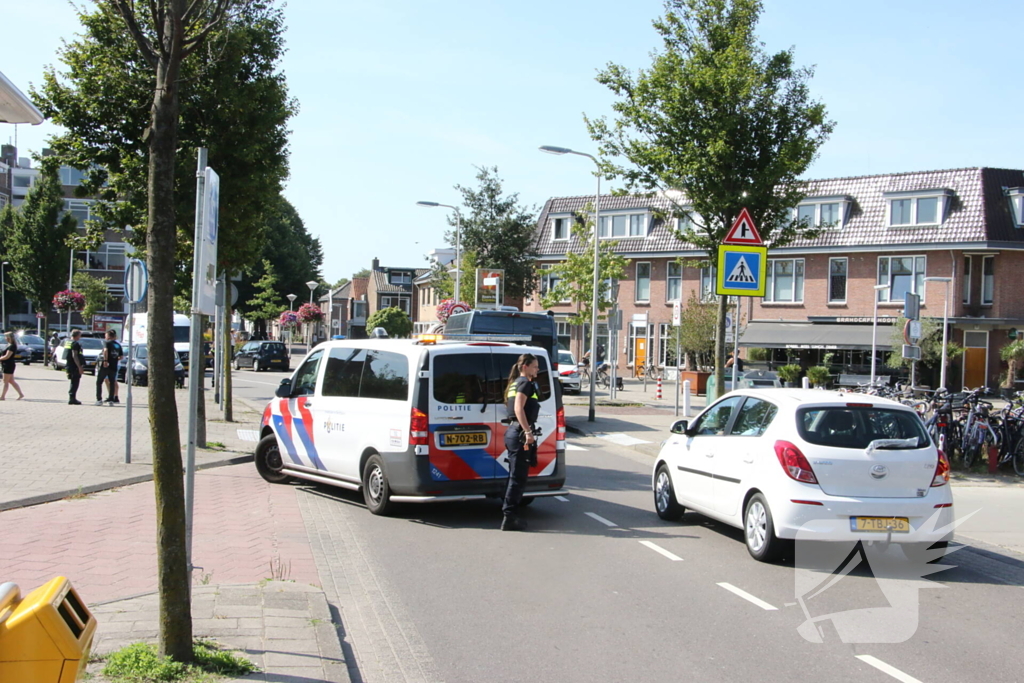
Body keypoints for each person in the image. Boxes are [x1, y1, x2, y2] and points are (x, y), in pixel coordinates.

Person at [501, 353, 541, 532]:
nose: (537, 369)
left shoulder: (515, 383)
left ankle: (510, 514)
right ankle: (510, 517)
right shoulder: (525, 383)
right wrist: (527, 431)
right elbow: (518, 408)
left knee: (516, 476)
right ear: (525, 367)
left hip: (514, 432)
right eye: (535, 366)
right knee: (518, 478)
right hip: (519, 434)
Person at [96, 329, 122, 405]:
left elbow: (105, 350)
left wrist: (105, 360)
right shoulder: (118, 345)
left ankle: (99, 400)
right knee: (112, 382)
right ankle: (111, 400)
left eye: (106, 336)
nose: (105, 337)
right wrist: (114, 359)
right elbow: (121, 356)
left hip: (106, 365)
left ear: (109, 336)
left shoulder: (107, 343)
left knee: (99, 382)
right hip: (114, 365)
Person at [1, 332, 25, 400]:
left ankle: (2, 396)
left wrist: (0, 358)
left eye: (6, 337)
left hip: (8, 365)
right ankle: (21, 394)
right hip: (6, 364)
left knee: (5, 381)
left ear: (9, 337)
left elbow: (7, 356)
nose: (5, 338)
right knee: (11, 380)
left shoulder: (12, 346)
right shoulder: (8, 345)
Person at [66, 329, 85, 405]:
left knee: (73, 381)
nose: (80, 337)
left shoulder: (68, 342)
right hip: (74, 366)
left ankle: (72, 397)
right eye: (80, 335)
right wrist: (79, 366)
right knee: (75, 382)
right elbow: (75, 355)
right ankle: (72, 398)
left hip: (69, 365)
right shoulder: (75, 344)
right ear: (77, 336)